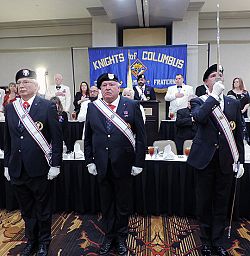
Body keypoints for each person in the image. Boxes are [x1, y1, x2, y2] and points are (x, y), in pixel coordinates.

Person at [84, 73, 146, 255]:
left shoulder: (132, 105)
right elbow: (88, 137)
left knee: (123, 203)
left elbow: (141, 138)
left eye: (112, 84)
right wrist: (90, 161)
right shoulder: (93, 108)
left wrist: (139, 162)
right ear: (100, 89)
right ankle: (109, 235)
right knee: (106, 203)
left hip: (125, 164)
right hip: (102, 165)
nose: (108, 88)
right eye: (104, 85)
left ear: (119, 87)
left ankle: (121, 237)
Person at [187, 64, 245, 256]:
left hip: (226, 161)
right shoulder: (198, 101)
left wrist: (240, 160)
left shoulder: (233, 103)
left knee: (221, 203)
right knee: (203, 202)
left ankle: (218, 240)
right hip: (204, 160)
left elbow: (237, 134)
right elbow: (199, 118)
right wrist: (213, 97)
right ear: (206, 82)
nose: (217, 78)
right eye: (213, 76)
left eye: (220, 75)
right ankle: (204, 240)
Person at [4, 69, 63, 256]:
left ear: (36, 86)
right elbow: (8, 139)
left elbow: (56, 137)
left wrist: (55, 164)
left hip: (40, 168)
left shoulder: (46, 106)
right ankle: (31, 240)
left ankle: (44, 242)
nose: (22, 86)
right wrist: (7, 164)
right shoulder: (11, 108)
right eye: (19, 83)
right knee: (26, 210)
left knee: (43, 209)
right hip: (17, 168)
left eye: (27, 82)